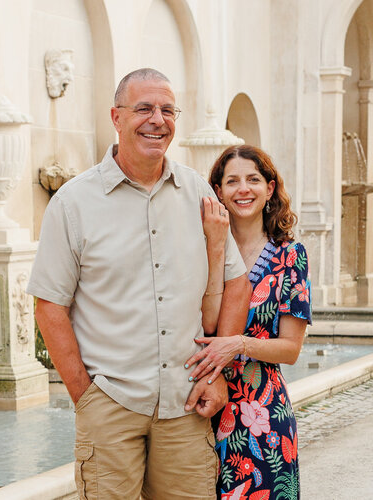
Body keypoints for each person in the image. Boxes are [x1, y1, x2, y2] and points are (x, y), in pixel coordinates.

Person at [27, 68, 252, 500]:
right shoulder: (73, 203)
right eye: (144, 108)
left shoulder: (198, 192)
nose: (157, 119)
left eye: (168, 110)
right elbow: (49, 306)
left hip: (187, 407)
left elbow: (236, 282)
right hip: (110, 406)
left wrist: (216, 371)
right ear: (116, 117)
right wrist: (86, 396)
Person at [185, 145, 312, 499]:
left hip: (263, 416)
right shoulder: (198, 249)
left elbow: (290, 349)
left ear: (269, 188)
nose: (243, 189)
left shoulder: (290, 256)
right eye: (232, 181)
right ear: (218, 192)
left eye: (253, 179)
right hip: (200, 408)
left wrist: (238, 344)